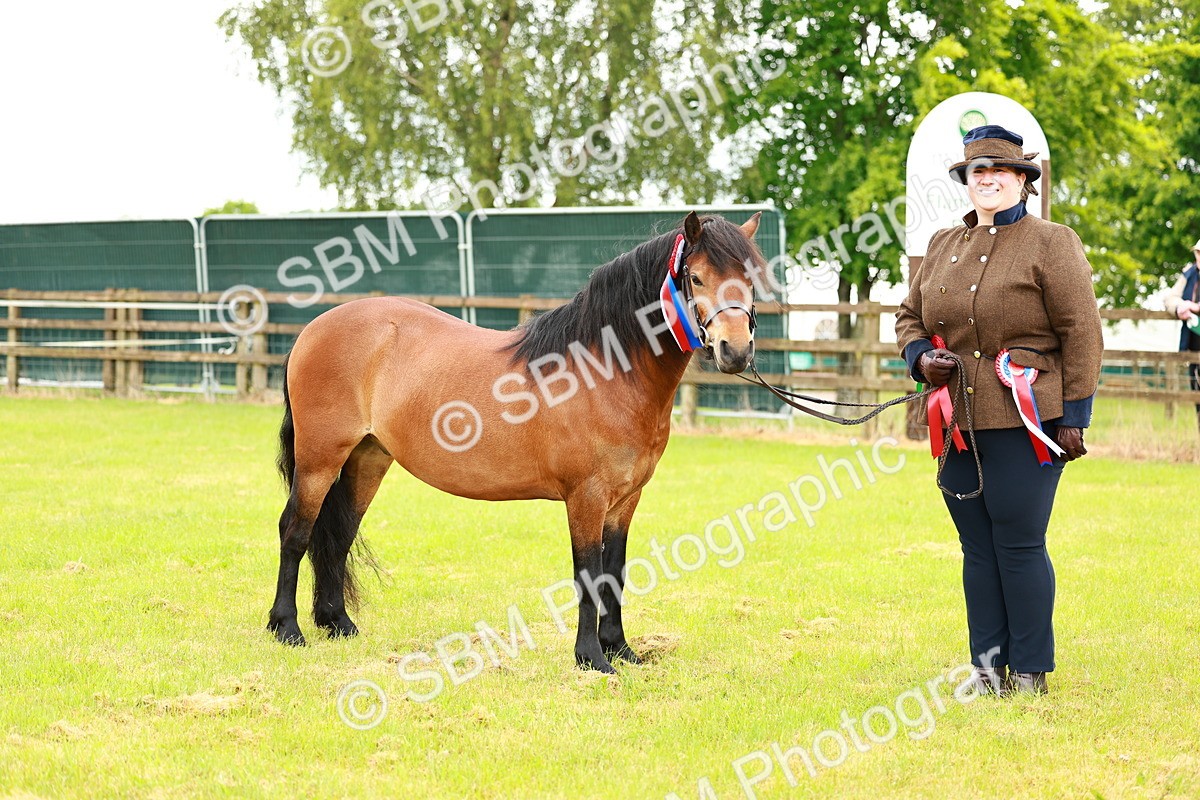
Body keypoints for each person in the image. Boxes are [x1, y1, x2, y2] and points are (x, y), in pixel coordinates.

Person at [895, 125, 1104, 696]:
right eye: (976, 171)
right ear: (966, 181)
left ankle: (1030, 671)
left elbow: (1081, 330)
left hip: (1028, 421)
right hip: (957, 424)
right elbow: (909, 316)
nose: (986, 179)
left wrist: (1075, 416)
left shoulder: (1053, 241)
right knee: (977, 549)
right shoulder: (942, 244)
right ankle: (987, 670)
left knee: (1019, 543)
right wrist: (921, 357)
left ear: (1022, 180)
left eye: (999, 170)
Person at [1162, 238, 1200, 423]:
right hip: (1193, 345)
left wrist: (1196, 306)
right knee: (1197, 394)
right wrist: (1180, 307)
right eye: (1198, 253)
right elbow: (1170, 298)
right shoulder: (1189, 274)